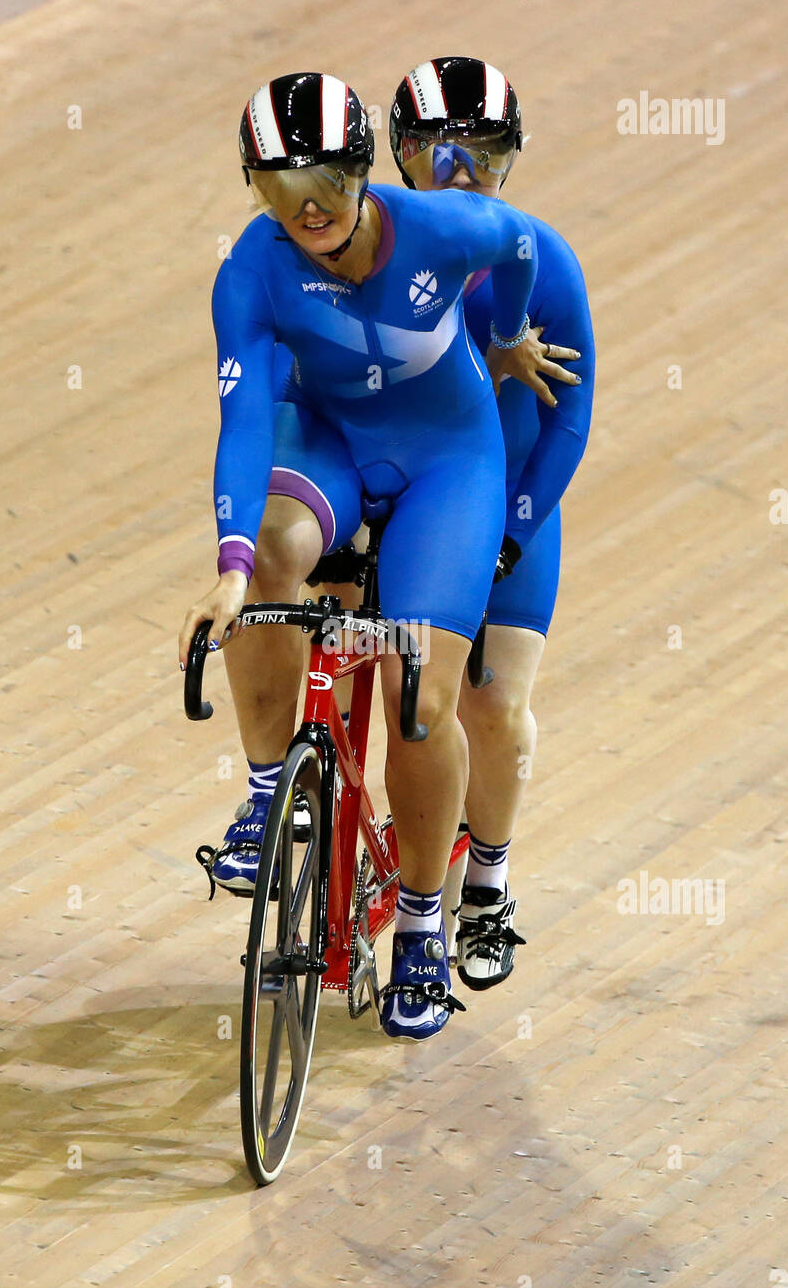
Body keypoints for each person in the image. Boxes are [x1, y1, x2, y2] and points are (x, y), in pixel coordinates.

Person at [178, 71, 551, 1041]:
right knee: (268, 557)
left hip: (445, 463)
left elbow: (524, 247)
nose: (304, 210)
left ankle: (423, 927)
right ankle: (268, 799)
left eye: (323, 186)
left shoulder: (445, 227)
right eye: (276, 190)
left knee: (421, 703)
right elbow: (244, 419)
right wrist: (226, 563)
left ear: (362, 172)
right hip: (330, 447)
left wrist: (506, 334)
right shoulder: (249, 273)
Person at [388, 57, 595, 989]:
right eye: (435, 151)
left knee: (492, 704)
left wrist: (516, 524)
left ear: (511, 162)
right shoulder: (365, 253)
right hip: (398, 496)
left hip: (509, 503)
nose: (458, 170)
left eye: (483, 151)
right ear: (397, 155)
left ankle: (488, 881)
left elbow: (571, 415)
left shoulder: (541, 259)